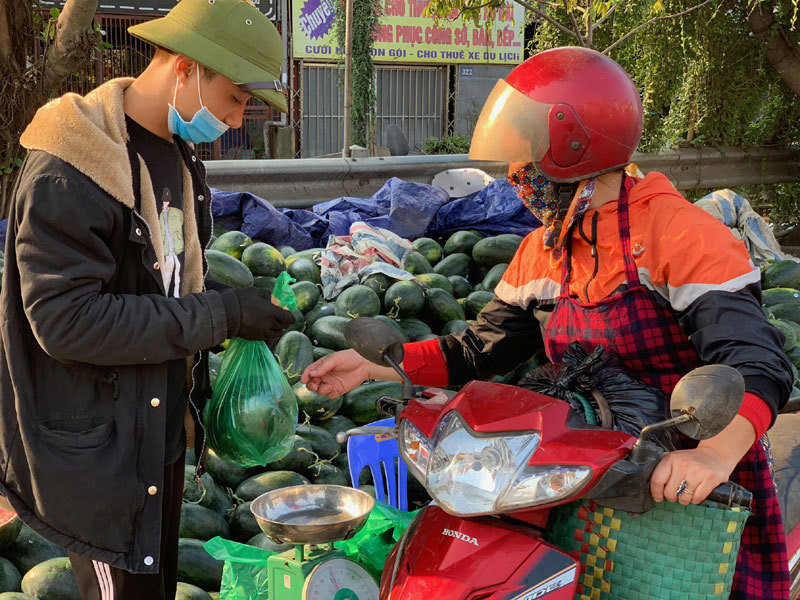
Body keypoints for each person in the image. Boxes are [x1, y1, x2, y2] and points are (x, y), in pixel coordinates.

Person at [302, 47, 792, 599]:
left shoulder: (681, 235)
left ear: (575, 144)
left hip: (676, 477)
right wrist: (374, 367)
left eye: (527, 155)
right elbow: (479, 350)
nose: (516, 176)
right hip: (573, 468)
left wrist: (711, 454)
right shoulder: (544, 248)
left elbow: (756, 364)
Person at [0, 0, 295, 597]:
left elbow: (157, 286)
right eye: (235, 97)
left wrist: (231, 309)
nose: (238, 119)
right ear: (186, 68)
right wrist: (221, 315)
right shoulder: (71, 164)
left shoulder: (177, 156)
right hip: (99, 459)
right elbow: (67, 322)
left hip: (151, 436)